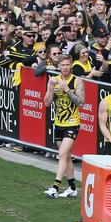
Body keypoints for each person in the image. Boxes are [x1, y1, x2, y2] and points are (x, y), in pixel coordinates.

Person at [43, 54, 85, 198]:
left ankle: (55, 187)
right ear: (58, 67)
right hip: (58, 122)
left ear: (71, 65)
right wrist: (50, 88)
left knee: (61, 154)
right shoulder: (55, 81)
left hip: (72, 123)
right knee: (66, 157)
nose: (66, 68)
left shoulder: (77, 81)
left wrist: (68, 90)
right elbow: (47, 103)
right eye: (63, 65)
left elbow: (81, 103)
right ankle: (72, 188)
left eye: (68, 65)